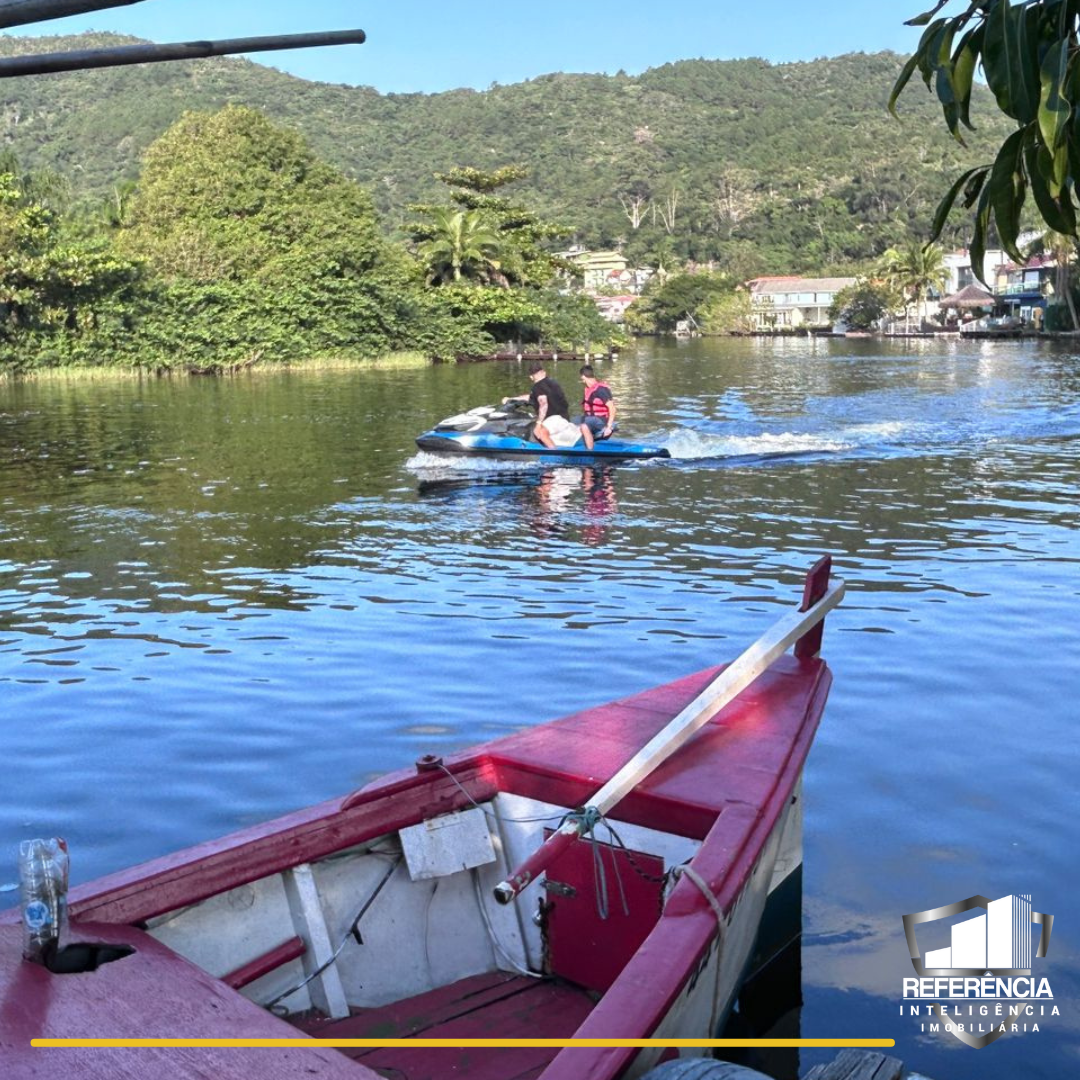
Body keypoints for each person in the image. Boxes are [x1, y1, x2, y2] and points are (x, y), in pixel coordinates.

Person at [502, 363, 575, 448]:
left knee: (538, 432)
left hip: (553, 420)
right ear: (544, 372)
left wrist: (539, 423)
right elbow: (531, 397)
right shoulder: (553, 383)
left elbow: (543, 404)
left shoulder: (537, 387)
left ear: (531, 377)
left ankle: (556, 456)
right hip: (564, 417)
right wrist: (511, 398)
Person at [577, 365, 616, 450]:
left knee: (583, 424)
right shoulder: (589, 389)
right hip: (592, 420)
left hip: (602, 421)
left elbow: (612, 408)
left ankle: (590, 452)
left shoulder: (600, 389)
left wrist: (609, 427)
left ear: (583, 377)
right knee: (573, 421)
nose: (582, 381)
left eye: (582, 379)